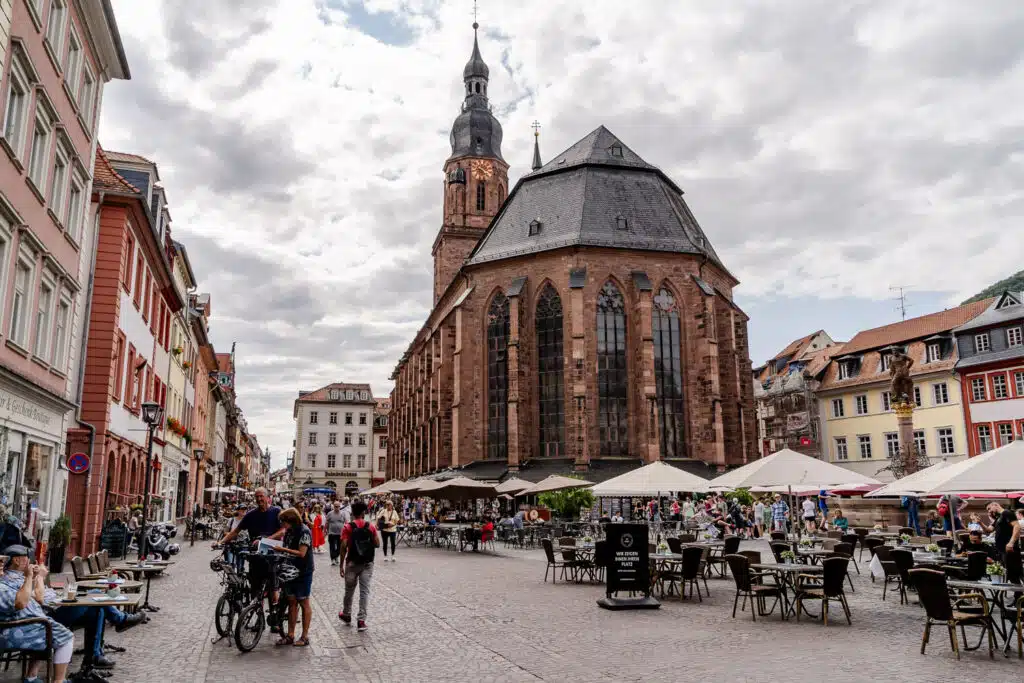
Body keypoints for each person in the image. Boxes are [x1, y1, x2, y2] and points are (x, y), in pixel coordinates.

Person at [272, 508, 314, 647]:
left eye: (283, 521)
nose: (282, 524)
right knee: (292, 601)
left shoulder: (304, 531)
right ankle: (290, 635)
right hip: (290, 569)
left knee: (303, 601)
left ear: (291, 520)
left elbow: (301, 553)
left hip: (303, 570)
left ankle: (304, 636)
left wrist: (282, 550)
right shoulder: (289, 531)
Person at [338, 501, 380, 632]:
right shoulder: (370, 526)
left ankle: (346, 614)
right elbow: (377, 544)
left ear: (353, 513)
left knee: (349, 591)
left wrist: (341, 565)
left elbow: (343, 546)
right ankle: (361, 621)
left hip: (352, 563)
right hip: (367, 563)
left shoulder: (347, 527)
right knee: (364, 592)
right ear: (363, 513)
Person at [326, 501, 346, 566]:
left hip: (340, 533)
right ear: (333, 506)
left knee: (340, 547)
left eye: (338, 506)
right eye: (335, 506)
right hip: (331, 533)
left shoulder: (343, 513)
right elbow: (327, 522)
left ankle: (336, 556)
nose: (337, 508)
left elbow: (346, 522)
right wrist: (325, 531)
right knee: (332, 547)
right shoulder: (330, 513)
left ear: (340, 506)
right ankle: (333, 559)